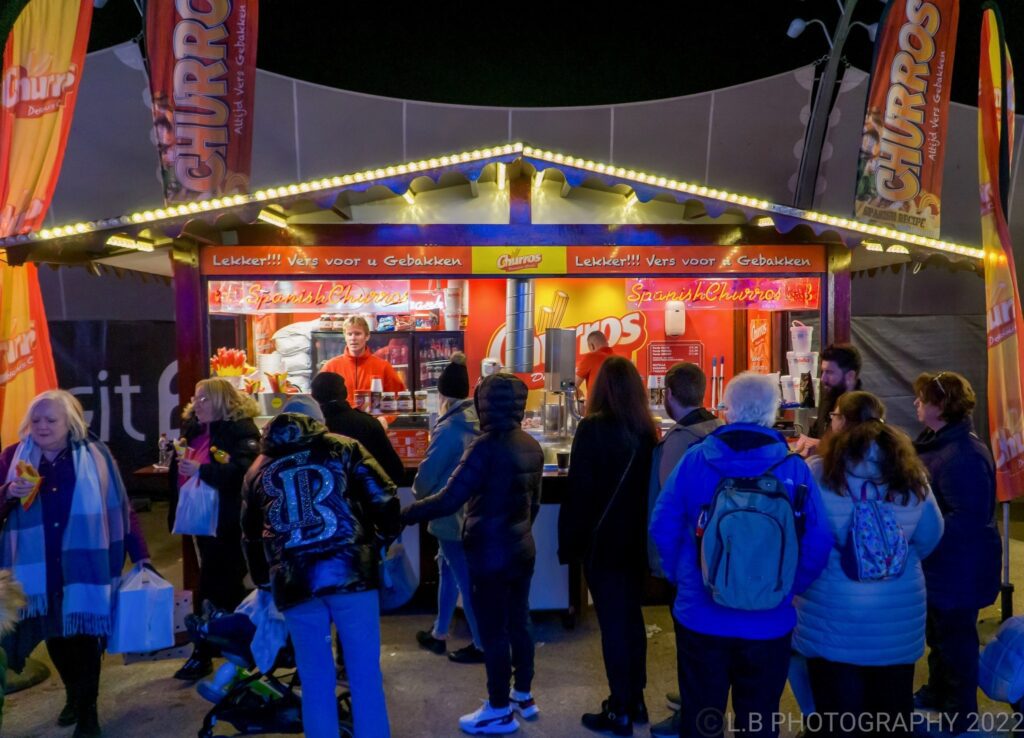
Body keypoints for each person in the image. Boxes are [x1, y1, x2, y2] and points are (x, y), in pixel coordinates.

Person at [649, 372, 831, 738]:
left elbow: (662, 525)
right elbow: (819, 541)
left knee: (702, 715)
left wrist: (683, 577)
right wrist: (788, 586)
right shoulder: (793, 469)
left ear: (728, 411)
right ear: (772, 412)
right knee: (759, 717)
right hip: (770, 621)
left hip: (701, 616)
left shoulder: (696, 460)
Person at [0, 390, 150, 738]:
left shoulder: (98, 457)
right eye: (36, 419)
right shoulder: (13, 457)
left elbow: (123, 510)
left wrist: (141, 555)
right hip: (39, 573)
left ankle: (88, 712)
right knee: (57, 640)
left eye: (51, 420)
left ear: (71, 423)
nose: (42, 426)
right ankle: (73, 695)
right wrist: (8, 492)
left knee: (83, 642)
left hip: (86, 570)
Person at [792, 391, 944, 737]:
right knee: (890, 717)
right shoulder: (910, 474)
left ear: (842, 422)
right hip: (897, 616)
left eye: (833, 416)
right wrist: (897, 559)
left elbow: (804, 539)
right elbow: (932, 535)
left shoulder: (818, 472)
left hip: (832, 616)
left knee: (836, 718)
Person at [241, 410, 400, 738]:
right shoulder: (345, 447)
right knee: (364, 673)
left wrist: (264, 579)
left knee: (315, 680)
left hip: (295, 580)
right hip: (350, 572)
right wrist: (377, 543)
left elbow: (250, 535)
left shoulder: (256, 470)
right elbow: (384, 498)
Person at [402, 373, 544, 736]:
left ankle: (498, 710)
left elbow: (450, 498)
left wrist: (404, 514)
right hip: (521, 547)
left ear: (483, 403)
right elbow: (535, 504)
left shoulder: (483, 447)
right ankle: (522, 696)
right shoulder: (531, 445)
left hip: (488, 551)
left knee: (493, 631)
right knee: (519, 621)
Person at [558, 356, 657, 736]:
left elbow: (579, 492)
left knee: (614, 627)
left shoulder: (593, 428)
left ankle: (619, 711)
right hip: (637, 542)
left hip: (604, 545)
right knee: (632, 622)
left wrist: (570, 543)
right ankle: (636, 699)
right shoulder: (646, 431)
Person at [912, 371, 1001, 731]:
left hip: (959, 568)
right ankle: (939, 692)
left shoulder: (962, 455)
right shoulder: (942, 444)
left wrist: (924, 535)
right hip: (945, 567)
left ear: (940, 406)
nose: (916, 403)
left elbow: (966, 519)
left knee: (956, 642)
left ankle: (960, 712)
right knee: (940, 636)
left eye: (922, 399)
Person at [646, 362, 722, 737]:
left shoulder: (679, 440)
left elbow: (670, 507)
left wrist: (668, 564)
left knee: (691, 641)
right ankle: (700, 699)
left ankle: (693, 711)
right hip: (719, 552)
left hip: (690, 557)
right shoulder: (717, 429)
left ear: (669, 396)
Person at [168, 378, 260, 681]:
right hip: (198, 518)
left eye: (204, 399)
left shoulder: (242, 430)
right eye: (195, 398)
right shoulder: (193, 430)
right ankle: (228, 648)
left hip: (228, 521)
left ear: (221, 401)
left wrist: (203, 470)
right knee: (217, 583)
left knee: (218, 584)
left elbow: (244, 473)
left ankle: (209, 651)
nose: (197, 404)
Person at [410, 353, 485, 664]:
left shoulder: (449, 428)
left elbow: (428, 475)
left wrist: (417, 494)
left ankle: (480, 644)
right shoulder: (475, 419)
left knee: (464, 579)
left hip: (452, 514)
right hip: (471, 511)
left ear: (442, 395)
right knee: (448, 570)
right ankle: (440, 632)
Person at [310, 371, 405, 484]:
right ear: (345, 393)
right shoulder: (369, 423)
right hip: (365, 497)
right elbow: (395, 471)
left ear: (314, 396)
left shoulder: (310, 428)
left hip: (326, 498)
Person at [795, 343, 863, 456]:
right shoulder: (828, 400)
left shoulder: (864, 409)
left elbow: (861, 454)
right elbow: (815, 433)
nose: (823, 379)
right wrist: (806, 443)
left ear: (850, 376)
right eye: (822, 372)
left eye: (829, 372)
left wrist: (824, 447)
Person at [320, 316, 406, 394]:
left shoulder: (384, 367)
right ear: (345, 337)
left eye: (358, 334)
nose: (353, 338)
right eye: (349, 334)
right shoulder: (330, 367)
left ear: (367, 336)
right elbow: (319, 400)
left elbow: (398, 398)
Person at [574, 330, 614, 398]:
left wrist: (578, 394)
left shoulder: (591, 357)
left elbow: (573, 386)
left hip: (597, 406)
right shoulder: (621, 360)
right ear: (607, 343)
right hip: (619, 407)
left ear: (592, 346)